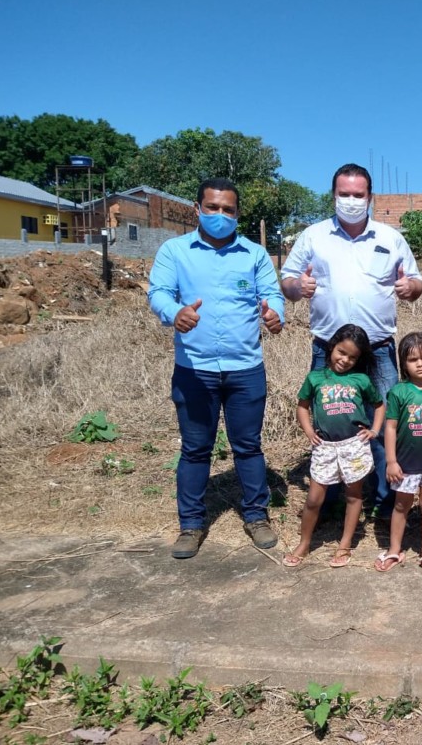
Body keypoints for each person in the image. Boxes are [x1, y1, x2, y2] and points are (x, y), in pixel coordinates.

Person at [148, 178, 285, 559]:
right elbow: (158, 292)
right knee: (195, 449)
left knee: (248, 445)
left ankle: (256, 515)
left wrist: (276, 314)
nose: (220, 215)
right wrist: (175, 313)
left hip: (245, 368)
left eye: (228, 210)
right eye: (212, 208)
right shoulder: (175, 251)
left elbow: (271, 293)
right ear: (198, 209)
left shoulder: (254, 255)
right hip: (195, 369)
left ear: (238, 214)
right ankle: (191, 525)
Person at [280, 163, 422, 519]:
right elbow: (286, 280)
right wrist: (298, 287)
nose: (351, 201)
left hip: (378, 351)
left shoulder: (390, 239)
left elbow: (416, 282)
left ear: (370, 197)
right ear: (333, 195)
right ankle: (328, 499)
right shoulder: (313, 236)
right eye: (344, 194)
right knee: (330, 423)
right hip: (330, 352)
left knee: (386, 422)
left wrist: (411, 288)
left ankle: (386, 500)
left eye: (358, 195)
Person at [285, 324, 385, 569]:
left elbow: (379, 405)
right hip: (325, 447)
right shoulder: (315, 378)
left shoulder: (361, 379)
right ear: (332, 347)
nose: (345, 360)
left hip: (355, 445)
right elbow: (302, 406)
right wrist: (309, 431)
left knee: (354, 495)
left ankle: (345, 544)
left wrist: (374, 429)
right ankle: (304, 542)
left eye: (352, 357)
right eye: (342, 352)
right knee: (313, 499)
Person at [375, 332, 422, 574]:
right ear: (403, 364)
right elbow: (390, 427)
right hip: (404, 463)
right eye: (412, 359)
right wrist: (391, 461)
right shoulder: (398, 392)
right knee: (400, 506)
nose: (420, 363)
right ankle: (394, 549)